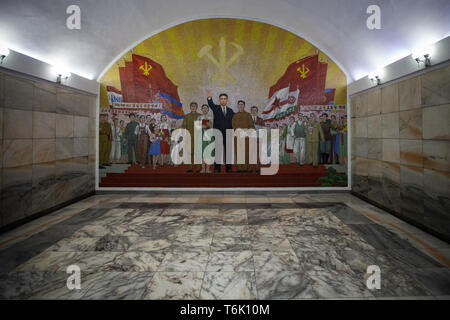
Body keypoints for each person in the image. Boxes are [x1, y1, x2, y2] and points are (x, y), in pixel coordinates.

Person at [206, 90, 235, 173]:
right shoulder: (216, 108)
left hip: (228, 133)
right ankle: (217, 168)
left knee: (228, 151)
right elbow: (211, 104)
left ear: (227, 100)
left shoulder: (230, 111)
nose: (223, 100)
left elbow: (234, 121)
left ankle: (228, 168)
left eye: (224, 98)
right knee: (218, 151)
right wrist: (209, 98)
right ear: (219, 100)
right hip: (218, 133)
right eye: (221, 98)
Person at [231, 100, 255, 172]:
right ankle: (240, 168)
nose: (240, 106)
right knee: (238, 152)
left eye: (242, 105)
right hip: (237, 136)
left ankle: (245, 168)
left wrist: (248, 133)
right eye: (239, 105)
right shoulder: (235, 115)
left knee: (246, 152)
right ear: (237, 106)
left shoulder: (248, 115)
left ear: (244, 106)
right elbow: (233, 125)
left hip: (246, 137)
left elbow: (251, 126)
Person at [182, 102, 201, 173]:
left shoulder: (200, 116)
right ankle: (190, 167)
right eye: (192, 106)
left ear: (196, 107)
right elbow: (184, 127)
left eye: (194, 106)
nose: (193, 107)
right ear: (190, 107)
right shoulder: (187, 116)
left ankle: (199, 168)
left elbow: (205, 127)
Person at [198, 104, 214, 173]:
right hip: (201, 136)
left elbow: (212, 126)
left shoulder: (210, 117)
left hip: (209, 135)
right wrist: (205, 125)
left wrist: (206, 125)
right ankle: (203, 168)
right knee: (202, 152)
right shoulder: (199, 117)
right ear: (201, 109)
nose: (205, 109)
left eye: (206, 108)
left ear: (208, 109)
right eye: (203, 108)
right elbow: (197, 127)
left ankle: (208, 169)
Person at [250, 106, 265, 173]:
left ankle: (258, 167)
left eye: (255, 110)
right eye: (252, 110)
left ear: (257, 111)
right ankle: (250, 168)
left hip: (258, 139)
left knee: (258, 154)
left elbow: (263, 130)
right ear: (251, 111)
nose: (254, 111)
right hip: (250, 139)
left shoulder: (261, 120)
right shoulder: (248, 119)